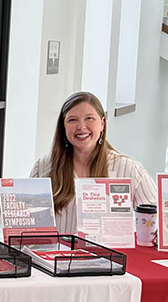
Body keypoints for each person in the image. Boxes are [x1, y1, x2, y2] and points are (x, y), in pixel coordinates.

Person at [30, 91, 158, 235]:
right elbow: (30, 224)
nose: (81, 127)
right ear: (63, 126)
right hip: (53, 257)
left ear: (102, 123)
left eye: (89, 118)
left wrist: (157, 234)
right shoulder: (42, 167)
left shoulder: (129, 168)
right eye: (72, 120)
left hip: (109, 256)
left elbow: (156, 216)